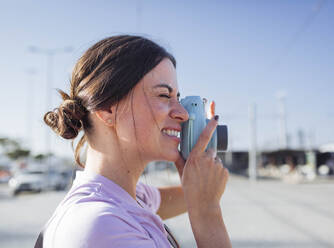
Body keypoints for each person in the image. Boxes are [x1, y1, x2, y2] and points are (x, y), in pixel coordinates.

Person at [36, 35, 231, 248]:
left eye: (179, 98)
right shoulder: (102, 226)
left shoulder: (128, 196)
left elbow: (192, 195)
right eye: (164, 96)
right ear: (108, 108)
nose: (183, 114)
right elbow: (200, 201)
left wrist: (201, 172)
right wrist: (208, 212)